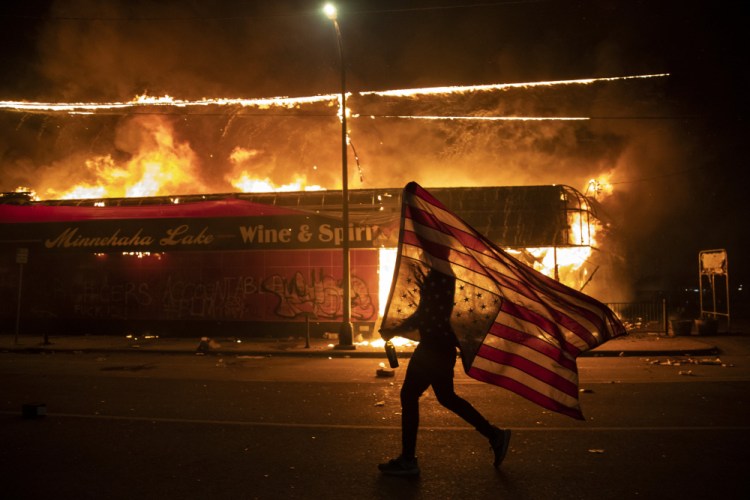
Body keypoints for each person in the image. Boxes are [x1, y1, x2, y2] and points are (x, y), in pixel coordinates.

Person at [378, 268, 511, 476]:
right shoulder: (441, 273)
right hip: (440, 347)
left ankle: (408, 460)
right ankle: (494, 434)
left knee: (410, 395)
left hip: (433, 348)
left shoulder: (440, 275)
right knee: (446, 397)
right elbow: (427, 313)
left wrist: (394, 330)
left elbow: (426, 314)